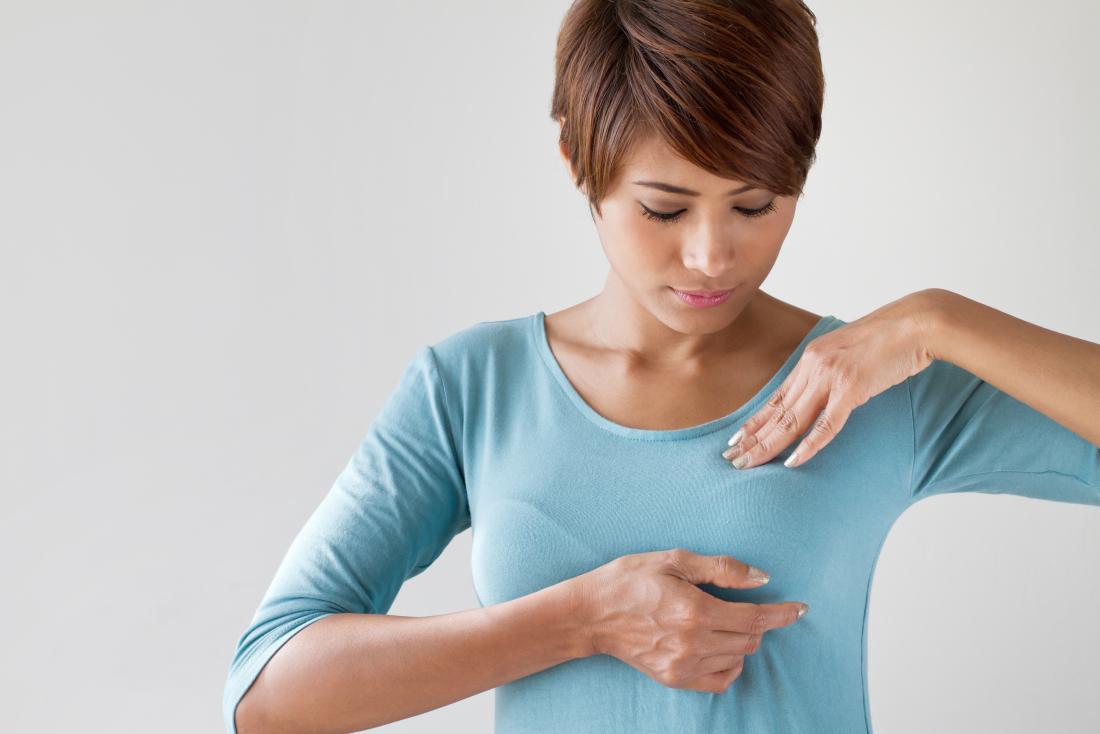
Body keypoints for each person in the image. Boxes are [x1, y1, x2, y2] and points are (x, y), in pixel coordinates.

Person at [222, 1, 1100, 732]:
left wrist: (936, 319)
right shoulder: (471, 387)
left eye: (754, 204)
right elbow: (267, 694)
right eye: (664, 208)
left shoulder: (869, 383)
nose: (713, 256)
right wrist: (582, 621)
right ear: (576, 159)